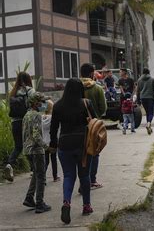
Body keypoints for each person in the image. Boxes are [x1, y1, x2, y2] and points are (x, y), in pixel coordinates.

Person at [50, 78, 96, 223]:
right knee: (84, 175)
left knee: (69, 176)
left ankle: (66, 203)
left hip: (64, 144)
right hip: (83, 144)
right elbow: (95, 122)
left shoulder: (57, 106)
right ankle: (87, 206)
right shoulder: (86, 103)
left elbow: (53, 129)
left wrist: (53, 144)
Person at [22, 92, 52, 213]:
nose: (43, 104)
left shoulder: (26, 115)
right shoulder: (36, 115)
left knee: (36, 173)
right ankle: (40, 203)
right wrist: (46, 147)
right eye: (41, 101)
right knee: (41, 176)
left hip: (27, 150)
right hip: (36, 150)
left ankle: (29, 197)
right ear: (35, 103)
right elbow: (36, 135)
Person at [4, 71, 35, 182]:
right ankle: (34, 169)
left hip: (15, 122)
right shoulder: (29, 91)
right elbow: (38, 105)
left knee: (18, 146)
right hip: (25, 121)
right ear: (28, 80)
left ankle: (9, 164)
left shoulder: (13, 92)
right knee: (29, 145)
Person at [80, 63, 107, 191]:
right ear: (92, 73)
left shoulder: (74, 86)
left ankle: (83, 181)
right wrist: (96, 115)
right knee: (94, 152)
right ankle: (92, 181)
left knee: (82, 153)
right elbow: (103, 108)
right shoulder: (97, 88)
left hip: (78, 125)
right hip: (94, 125)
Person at [137, 68, 154, 135]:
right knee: (151, 113)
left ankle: (149, 126)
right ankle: (149, 123)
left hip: (143, 98)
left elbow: (138, 91)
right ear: (149, 72)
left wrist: (138, 99)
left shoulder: (139, 80)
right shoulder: (152, 79)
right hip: (150, 98)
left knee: (147, 113)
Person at [42, 99, 60, 182]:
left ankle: (43, 177)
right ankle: (55, 176)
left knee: (45, 160)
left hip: (44, 141)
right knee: (53, 159)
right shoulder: (53, 118)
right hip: (52, 141)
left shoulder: (41, 117)